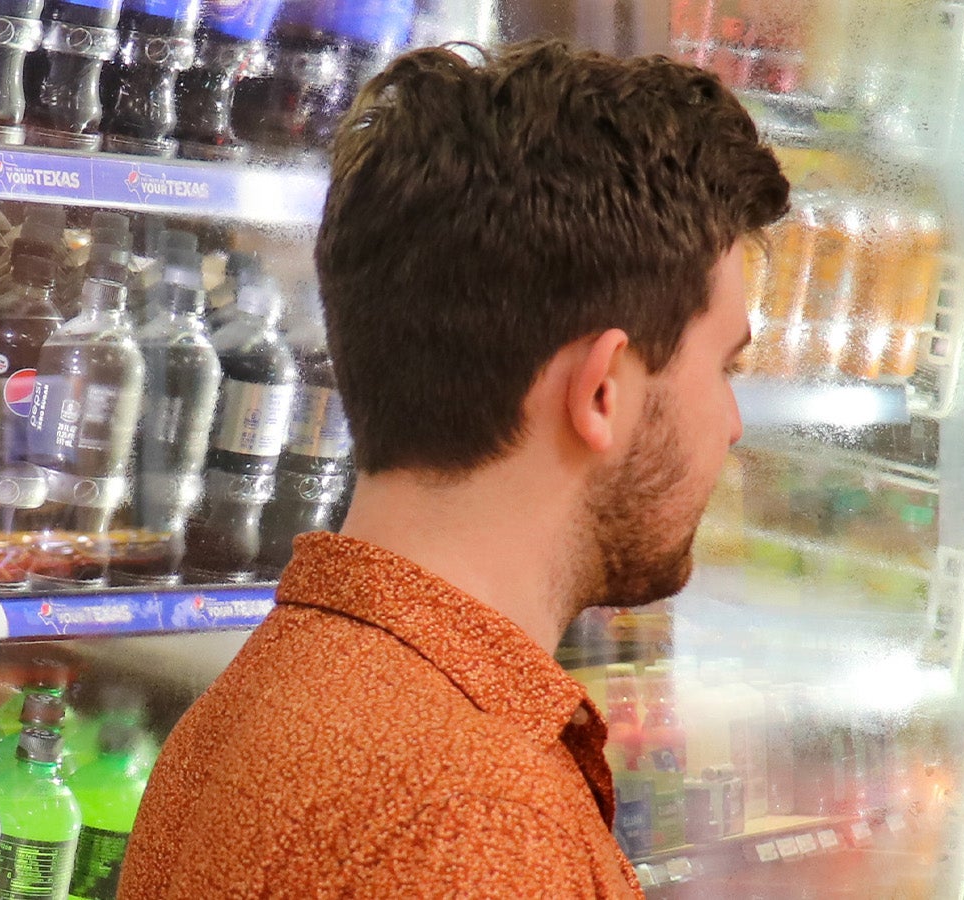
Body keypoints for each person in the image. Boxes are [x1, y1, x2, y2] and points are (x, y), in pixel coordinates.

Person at [117, 40, 788, 897]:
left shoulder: (275, 693)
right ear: (603, 393)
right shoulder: (477, 821)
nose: (731, 423)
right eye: (723, 367)